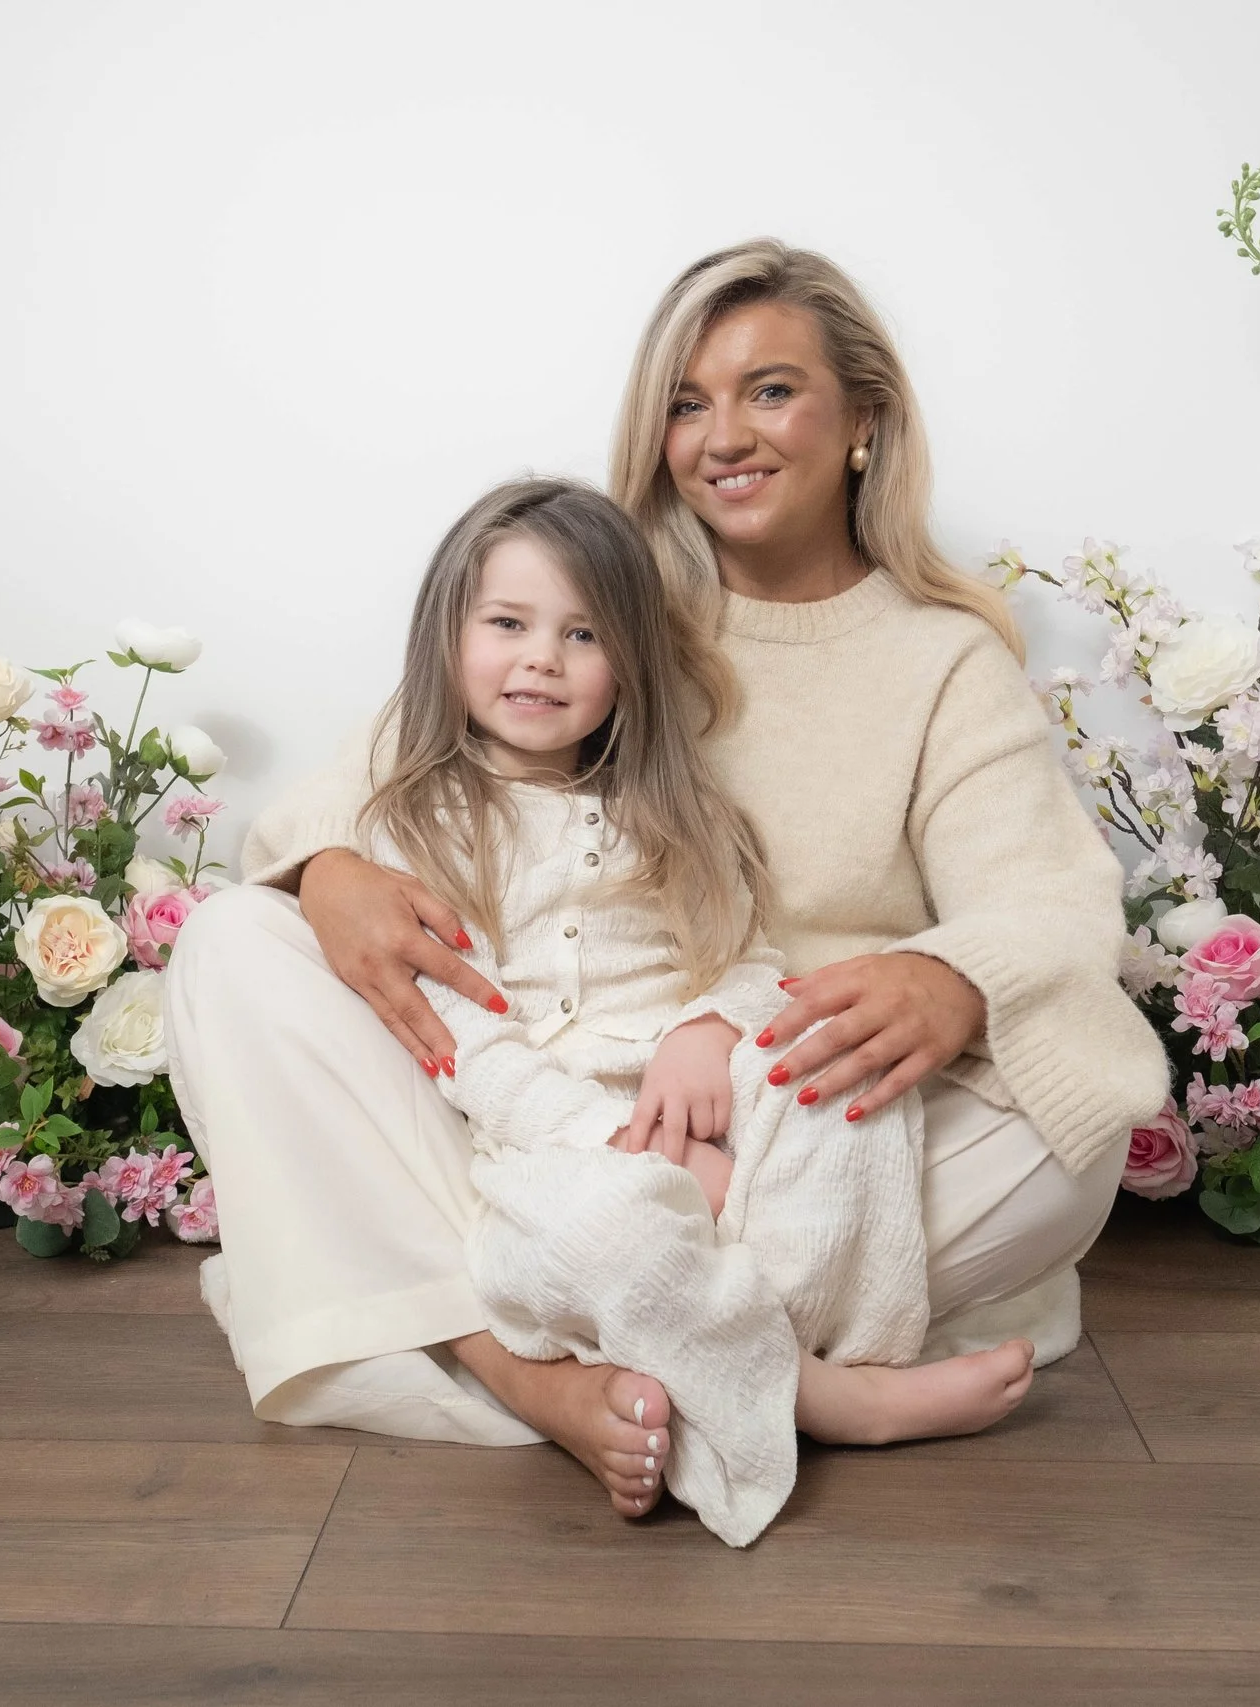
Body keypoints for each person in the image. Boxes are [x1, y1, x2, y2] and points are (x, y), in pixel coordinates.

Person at [164, 239, 1169, 1521]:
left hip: (791, 1106)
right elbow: (378, 768)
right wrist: (331, 874)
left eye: (769, 389)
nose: (722, 435)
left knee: (1069, 1134)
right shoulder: (610, 598)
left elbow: (1053, 899)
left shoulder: (941, 659)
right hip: (537, 1086)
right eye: (686, 402)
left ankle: (534, 1301)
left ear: (863, 419)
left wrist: (945, 976)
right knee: (232, 943)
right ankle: (551, 1371)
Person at [365, 474, 1022, 1545]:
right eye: (507, 624)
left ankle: (794, 1340)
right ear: (447, 637)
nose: (541, 658)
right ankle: (823, 1398)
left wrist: (708, 1027)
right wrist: (625, 1148)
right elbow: (461, 1041)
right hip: (553, 1138)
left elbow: (749, 960)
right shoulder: (416, 826)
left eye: (582, 635)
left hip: (695, 1093)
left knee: (832, 1087)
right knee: (599, 1232)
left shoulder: (671, 814)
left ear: (629, 670)